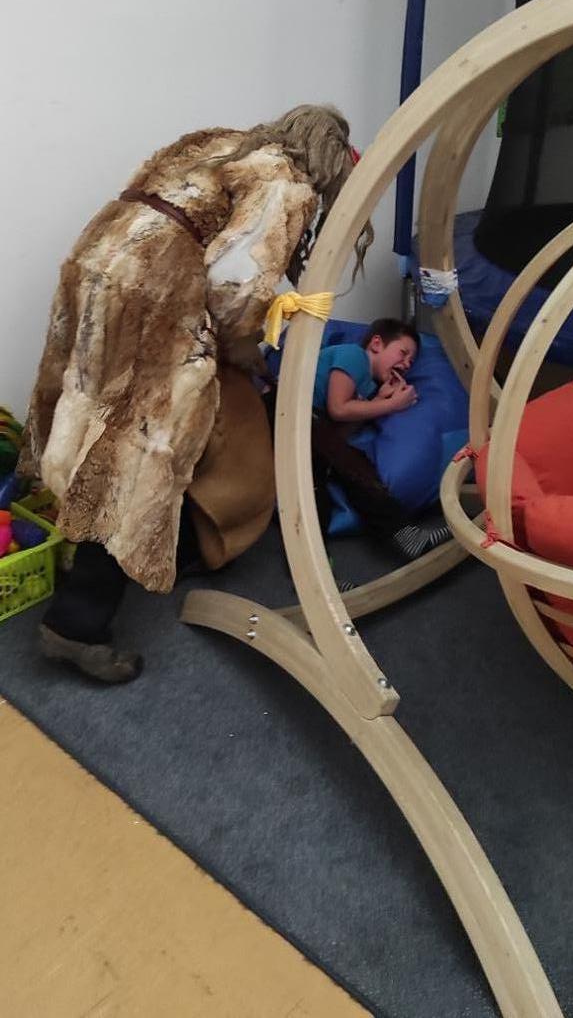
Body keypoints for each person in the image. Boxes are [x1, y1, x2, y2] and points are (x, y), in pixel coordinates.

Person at [19, 104, 373, 684]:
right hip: (154, 297)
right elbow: (234, 286)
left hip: (99, 267)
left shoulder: (220, 143)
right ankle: (76, 626)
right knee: (137, 460)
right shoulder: (286, 181)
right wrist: (244, 350)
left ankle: (119, 559)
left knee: (92, 430)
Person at [310, 318, 452, 560]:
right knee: (352, 466)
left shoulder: (366, 387)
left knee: (321, 482)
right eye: (403, 353)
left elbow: (337, 438)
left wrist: (378, 402)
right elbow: (338, 409)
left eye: (411, 362)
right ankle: (404, 534)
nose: (406, 364)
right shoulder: (355, 356)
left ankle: (319, 563)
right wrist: (392, 405)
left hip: (310, 431)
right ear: (376, 344)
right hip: (286, 412)